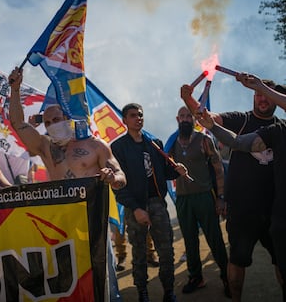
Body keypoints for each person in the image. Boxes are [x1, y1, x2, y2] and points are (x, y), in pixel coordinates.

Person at [8, 67, 127, 301]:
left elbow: (121, 175)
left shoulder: (94, 146)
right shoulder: (45, 147)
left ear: (67, 118)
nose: (53, 124)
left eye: (57, 119)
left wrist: (112, 178)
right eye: (49, 121)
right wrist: (15, 89)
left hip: (93, 224)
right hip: (62, 226)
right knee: (71, 285)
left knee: (104, 283)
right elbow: (17, 122)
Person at [181, 74, 282, 302]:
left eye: (267, 95)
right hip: (242, 208)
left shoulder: (281, 128)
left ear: (276, 99)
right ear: (253, 97)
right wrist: (189, 100)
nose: (262, 99)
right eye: (258, 94)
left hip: (275, 209)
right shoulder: (241, 119)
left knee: (281, 261)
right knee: (237, 260)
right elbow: (207, 118)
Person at [111, 103, 189, 302]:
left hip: (157, 203)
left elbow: (164, 172)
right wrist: (136, 208)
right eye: (133, 115)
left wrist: (176, 171)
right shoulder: (118, 147)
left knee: (166, 250)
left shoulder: (154, 142)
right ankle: (142, 293)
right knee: (139, 253)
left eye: (140, 115)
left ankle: (168, 291)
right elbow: (118, 185)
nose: (138, 118)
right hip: (134, 206)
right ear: (124, 120)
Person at [168, 106, 230, 297]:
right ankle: (196, 277)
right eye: (182, 116)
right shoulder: (172, 143)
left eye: (189, 116)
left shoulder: (204, 140)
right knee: (189, 239)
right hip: (183, 199)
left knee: (215, 239)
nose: (186, 119)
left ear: (195, 119)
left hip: (204, 196)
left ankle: (227, 277)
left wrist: (220, 197)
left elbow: (218, 169)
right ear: (177, 119)